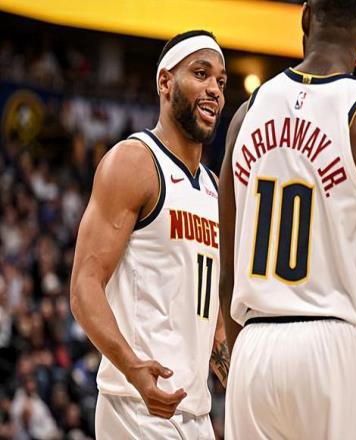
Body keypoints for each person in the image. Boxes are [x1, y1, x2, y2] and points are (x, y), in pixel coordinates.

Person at [218, 1, 356, 439]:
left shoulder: (245, 115)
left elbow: (228, 273)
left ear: (305, 17)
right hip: (337, 348)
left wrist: (242, 365)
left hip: (254, 346)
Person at [70, 30, 229, 439]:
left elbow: (212, 320)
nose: (214, 89)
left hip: (194, 410)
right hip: (136, 405)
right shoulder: (134, 162)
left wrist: (239, 377)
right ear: (165, 82)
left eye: (221, 81)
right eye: (201, 74)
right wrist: (132, 367)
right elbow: (85, 286)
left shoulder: (214, 188)